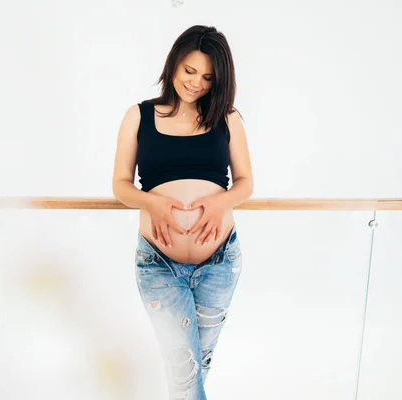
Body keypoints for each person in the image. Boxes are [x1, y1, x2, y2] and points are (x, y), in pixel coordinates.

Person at [112, 25, 253, 400]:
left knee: (196, 364)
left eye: (208, 77)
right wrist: (153, 201)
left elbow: (245, 183)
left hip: (220, 261)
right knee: (184, 369)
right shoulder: (139, 116)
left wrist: (221, 201)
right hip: (159, 263)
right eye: (189, 71)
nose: (196, 83)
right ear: (173, 63)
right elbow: (121, 185)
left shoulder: (227, 117)